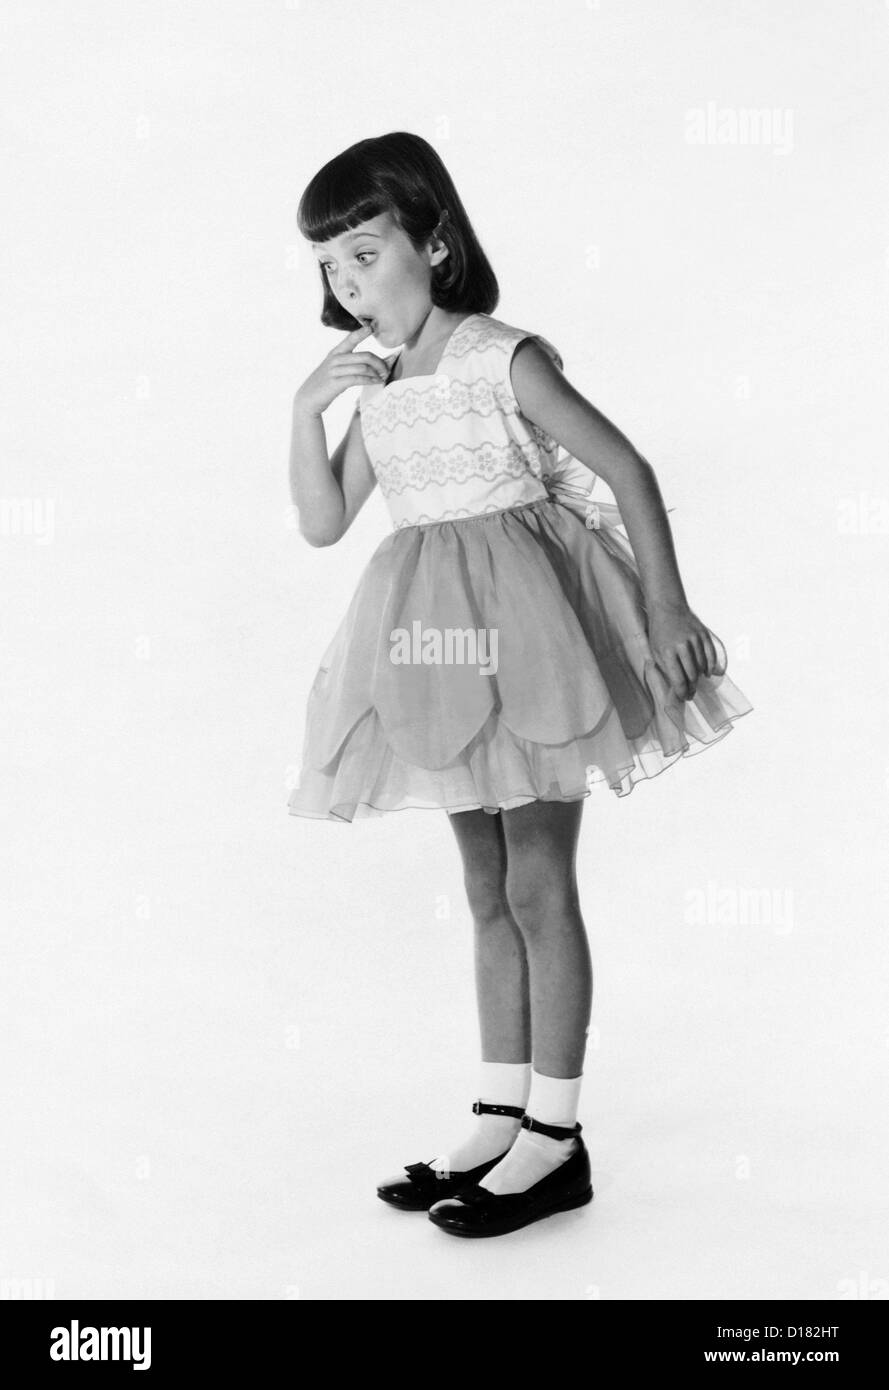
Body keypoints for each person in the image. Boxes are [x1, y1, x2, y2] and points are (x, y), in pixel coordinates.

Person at [287, 131, 753, 1238]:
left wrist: (665, 608)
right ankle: (502, 1112)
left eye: (366, 251)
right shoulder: (378, 383)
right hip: (433, 650)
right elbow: (320, 522)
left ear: (433, 244)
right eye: (328, 265)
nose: (348, 283)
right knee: (486, 885)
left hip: (532, 632)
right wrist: (303, 410)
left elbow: (626, 466)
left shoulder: (496, 354)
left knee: (540, 881)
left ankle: (557, 1136)